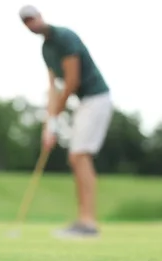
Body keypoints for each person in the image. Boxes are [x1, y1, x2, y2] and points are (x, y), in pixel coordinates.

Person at [19, 5, 113, 238]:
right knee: (77, 157)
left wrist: (56, 117)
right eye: (27, 22)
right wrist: (47, 125)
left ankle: (88, 222)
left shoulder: (65, 37)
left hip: (96, 98)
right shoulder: (46, 49)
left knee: (78, 155)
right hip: (84, 103)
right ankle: (84, 220)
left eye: (33, 18)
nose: (32, 24)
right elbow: (53, 88)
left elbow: (71, 81)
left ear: (40, 16)